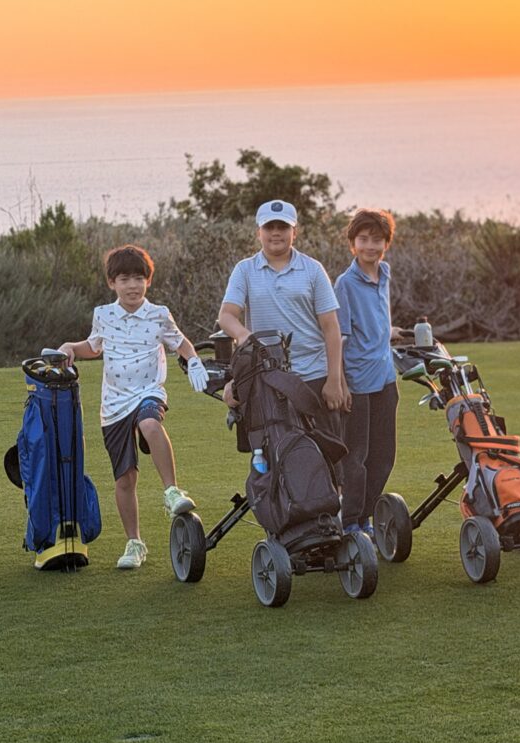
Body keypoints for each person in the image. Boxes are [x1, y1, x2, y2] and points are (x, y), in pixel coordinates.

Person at [58, 245, 209, 570]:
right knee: (125, 479)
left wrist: (194, 359)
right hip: (113, 405)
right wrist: (71, 347)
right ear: (112, 282)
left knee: (151, 425)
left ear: (148, 282)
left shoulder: (159, 313)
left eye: (139, 278)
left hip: (148, 392)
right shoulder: (103, 314)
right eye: (124, 278)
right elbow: (94, 347)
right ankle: (135, 543)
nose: (132, 285)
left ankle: (171, 491)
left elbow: (179, 341)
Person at [217, 199, 345, 444]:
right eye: (269, 227)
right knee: (272, 452)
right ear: (259, 232)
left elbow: (331, 328)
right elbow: (227, 315)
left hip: (313, 376)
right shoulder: (244, 270)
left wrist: (334, 380)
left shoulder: (313, 270)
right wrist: (245, 336)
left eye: (283, 227)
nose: (276, 233)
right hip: (268, 376)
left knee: (328, 455)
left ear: (294, 232)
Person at [334, 209, 401, 536]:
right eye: (364, 239)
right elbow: (341, 338)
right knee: (356, 459)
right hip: (357, 383)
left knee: (384, 457)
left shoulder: (384, 274)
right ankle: (350, 523)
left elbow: (373, 320)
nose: (370, 246)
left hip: (386, 379)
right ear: (352, 244)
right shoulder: (345, 284)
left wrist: (388, 330)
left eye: (377, 239)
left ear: (386, 244)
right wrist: (341, 384)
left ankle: (365, 517)